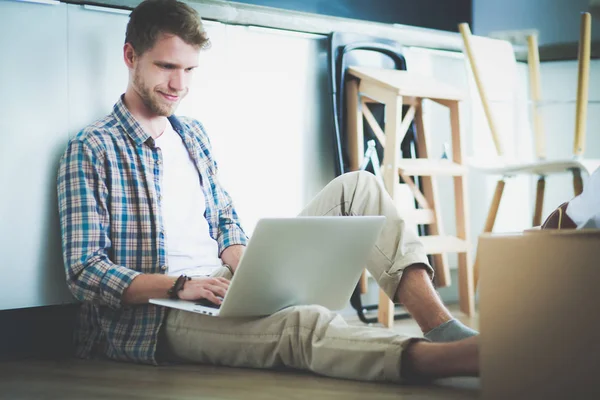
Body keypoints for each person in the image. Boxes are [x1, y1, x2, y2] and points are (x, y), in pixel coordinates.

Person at [57, 0, 479, 383]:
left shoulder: (192, 134)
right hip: (160, 317)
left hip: (220, 285)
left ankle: (442, 329)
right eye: (167, 67)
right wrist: (180, 285)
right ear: (131, 56)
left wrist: (243, 257)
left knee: (359, 187)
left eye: (189, 70)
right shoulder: (91, 149)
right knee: (301, 324)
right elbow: (85, 271)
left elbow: (223, 217)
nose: (178, 84)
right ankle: (458, 359)